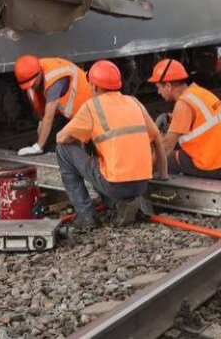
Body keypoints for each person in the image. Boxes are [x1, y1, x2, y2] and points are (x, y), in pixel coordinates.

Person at [55, 59, 168, 229]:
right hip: (142, 185)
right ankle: (120, 206)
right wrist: (164, 175)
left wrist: (79, 137)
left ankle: (86, 217)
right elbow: (157, 139)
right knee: (101, 160)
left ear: (94, 86)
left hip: (116, 185)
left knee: (63, 150)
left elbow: (61, 138)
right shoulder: (134, 102)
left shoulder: (92, 107)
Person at [148, 58, 221, 180]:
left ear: (168, 86)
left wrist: (148, 168)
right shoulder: (198, 92)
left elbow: (166, 145)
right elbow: (198, 119)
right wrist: (170, 118)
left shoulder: (183, 104)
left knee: (165, 158)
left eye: (159, 87)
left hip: (214, 165)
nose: (158, 92)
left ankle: (168, 190)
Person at [14, 55, 92, 156]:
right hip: (66, 110)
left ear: (39, 74)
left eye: (32, 84)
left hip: (86, 106)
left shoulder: (54, 79)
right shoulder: (32, 73)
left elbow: (49, 116)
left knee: (88, 145)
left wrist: (38, 146)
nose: (31, 87)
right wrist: (41, 123)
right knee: (59, 142)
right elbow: (43, 115)